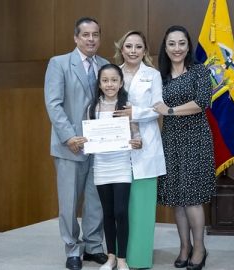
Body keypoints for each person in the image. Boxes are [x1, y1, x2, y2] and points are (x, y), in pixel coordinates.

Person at [44, 17, 109, 270]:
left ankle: (93, 246)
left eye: (95, 34)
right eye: (85, 35)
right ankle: (72, 249)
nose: (91, 39)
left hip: (100, 146)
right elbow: (53, 103)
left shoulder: (105, 65)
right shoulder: (59, 63)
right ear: (76, 38)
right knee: (69, 202)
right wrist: (69, 136)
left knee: (96, 200)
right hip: (70, 144)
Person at [153, 25, 216, 270]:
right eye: (172, 43)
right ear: (165, 47)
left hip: (195, 140)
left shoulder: (199, 70)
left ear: (188, 45)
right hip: (170, 140)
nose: (177, 48)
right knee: (177, 200)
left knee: (192, 199)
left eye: (181, 43)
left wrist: (169, 110)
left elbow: (202, 102)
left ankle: (199, 248)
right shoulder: (161, 75)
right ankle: (184, 247)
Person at [113, 30, 166, 269]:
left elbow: (158, 109)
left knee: (142, 207)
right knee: (119, 207)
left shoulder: (153, 75)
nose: (133, 51)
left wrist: (135, 112)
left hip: (146, 146)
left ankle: (140, 258)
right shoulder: (113, 73)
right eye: (128, 46)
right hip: (117, 147)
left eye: (138, 47)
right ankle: (118, 257)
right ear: (121, 49)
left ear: (145, 50)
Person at [86, 64, 142, 270]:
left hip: (121, 166)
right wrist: (87, 141)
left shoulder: (127, 105)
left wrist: (137, 141)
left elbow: (136, 134)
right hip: (101, 167)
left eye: (114, 80)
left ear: (120, 83)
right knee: (107, 212)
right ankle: (110, 257)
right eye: (105, 80)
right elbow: (90, 136)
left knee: (120, 211)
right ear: (99, 84)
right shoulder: (93, 108)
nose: (110, 84)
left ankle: (122, 259)